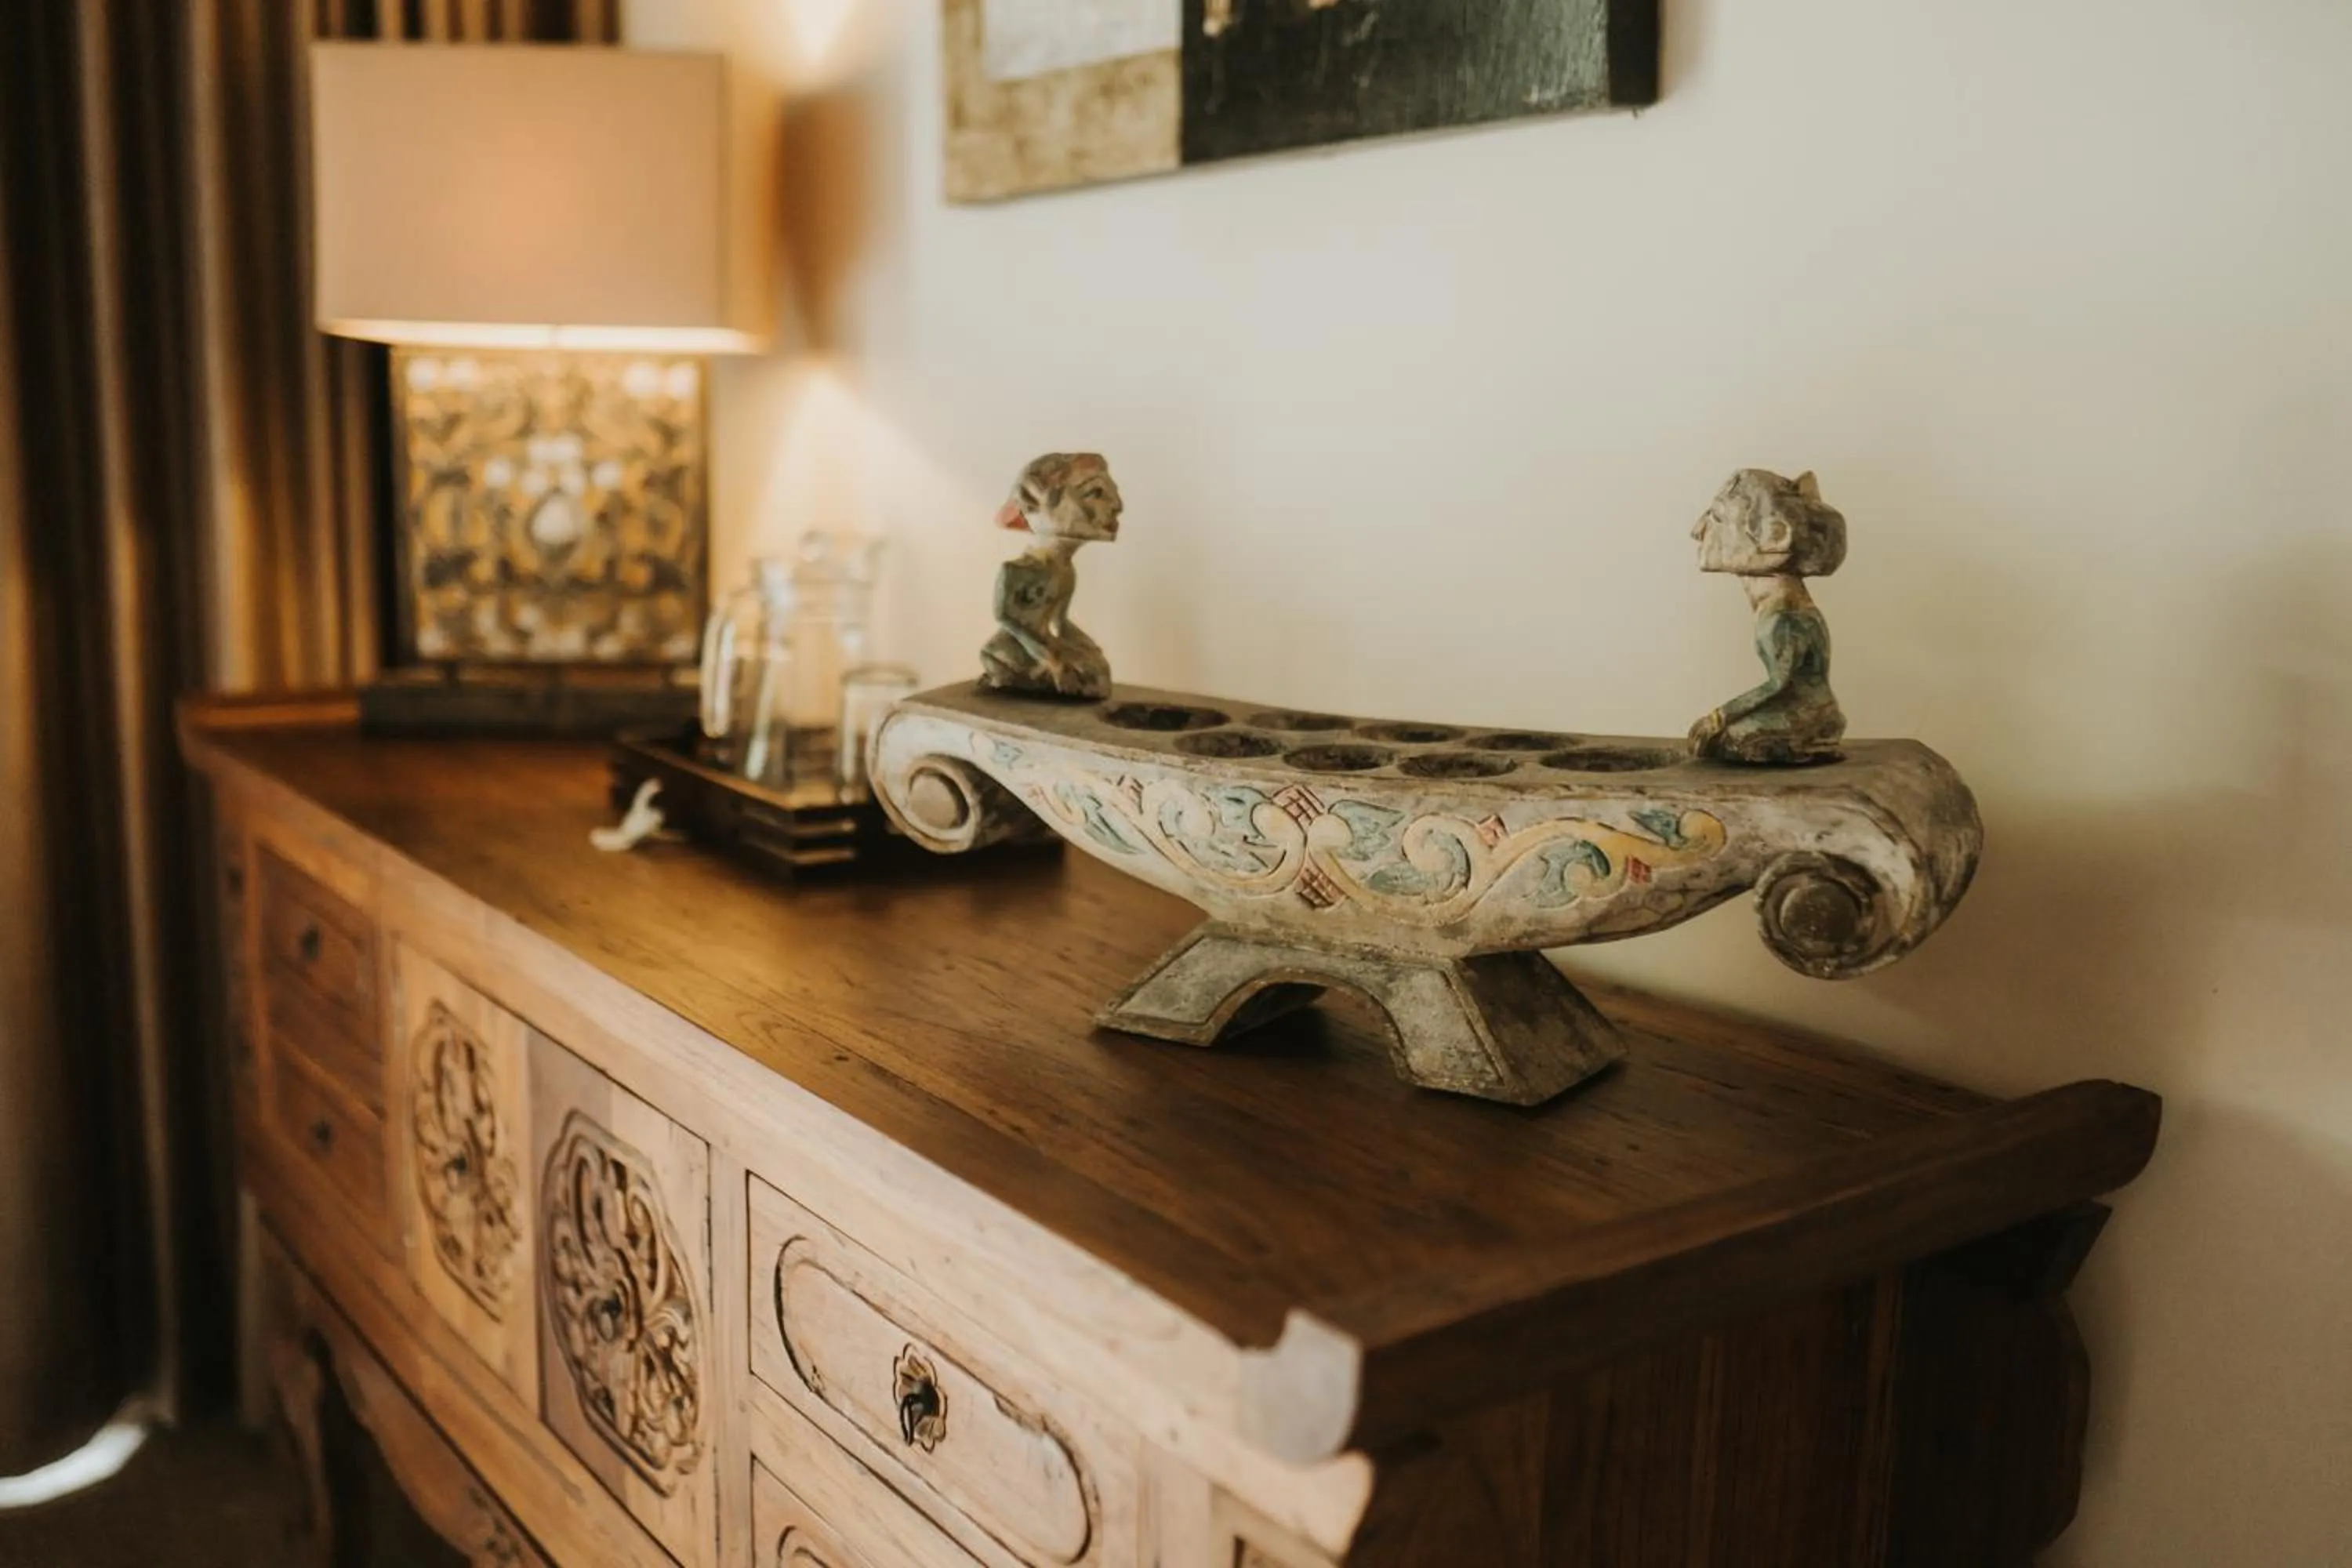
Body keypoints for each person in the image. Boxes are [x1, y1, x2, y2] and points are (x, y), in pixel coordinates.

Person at [1687, 469, 1848, 764]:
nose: (1698, 530)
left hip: (1804, 716)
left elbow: (1778, 686)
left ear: (1776, 536)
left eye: (1717, 517)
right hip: (1811, 711)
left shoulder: (1782, 620)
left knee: (1725, 742)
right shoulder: (1785, 612)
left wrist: (1718, 717)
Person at [979, 452, 1122, 699]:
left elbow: (1060, 622)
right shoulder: (1016, 572)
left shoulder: (1065, 571)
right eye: (1096, 493)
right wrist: (1048, 657)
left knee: (1094, 670)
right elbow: (1007, 619)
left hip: (1043, 645)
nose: (1117, 506)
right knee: (1084, 675)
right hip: (1014, 649)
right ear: (1034, 502)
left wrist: (1086, 649)